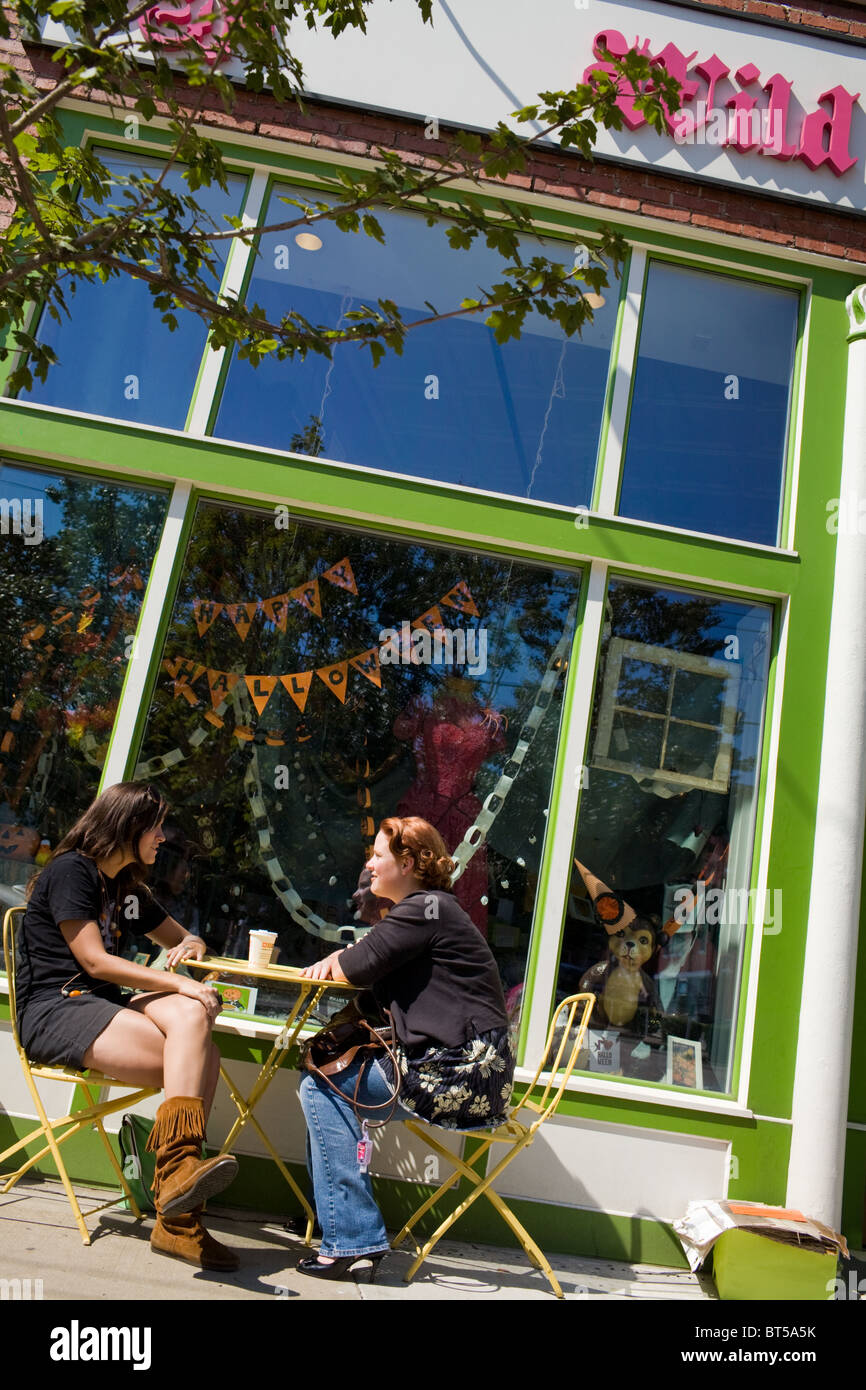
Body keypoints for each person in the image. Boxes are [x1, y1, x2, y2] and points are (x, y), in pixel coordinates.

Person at [15, 781, 239, 1271]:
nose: (162, 837)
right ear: (129, 825)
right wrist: (176, 982)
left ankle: (178, 1190)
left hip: (99, 1005)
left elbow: (186, 938)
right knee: (200, 1052)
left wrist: (190, 950)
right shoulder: (72, 871)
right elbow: (94, 962)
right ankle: (178, 1212)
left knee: (195, 1024)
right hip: (56, 1008)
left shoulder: (123, 890)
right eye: (156, 826)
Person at [297, 815, 514, 1281]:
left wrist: (336, 957)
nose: (370, 865)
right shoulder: (427, 911)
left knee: (323, 1086)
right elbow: (372, 987)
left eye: (379, 856)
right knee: (328, 1078)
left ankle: (351, 1239)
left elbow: (356, 967)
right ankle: (336, 1219)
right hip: (469, 1071)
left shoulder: (425, 908)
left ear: (410, 863)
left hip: (458, 1075)